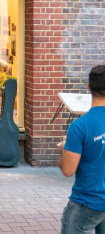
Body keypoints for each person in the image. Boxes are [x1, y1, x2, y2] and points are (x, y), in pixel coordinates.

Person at [58, 65, 105, 234]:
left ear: (89, 88)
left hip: (87, 201)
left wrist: (65, 149)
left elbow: (68, 170)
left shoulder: (80, 126)